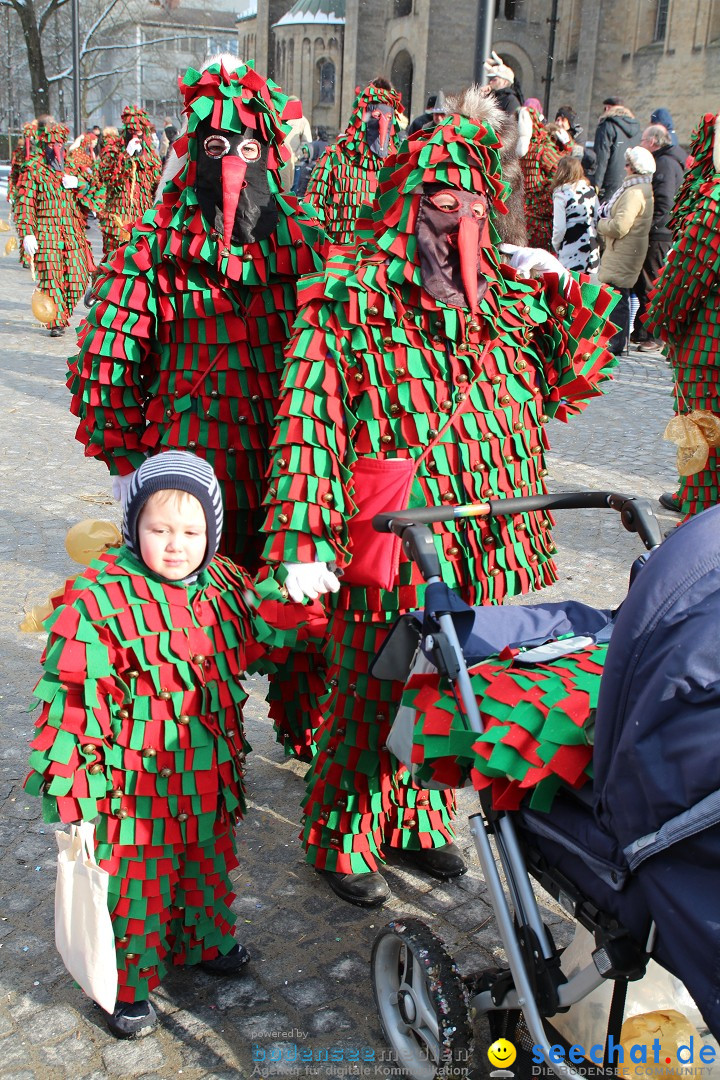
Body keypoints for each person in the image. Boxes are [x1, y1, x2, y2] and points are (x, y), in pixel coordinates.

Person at [261, 87, 620, 908]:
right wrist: (303, 538)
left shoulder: (508, 299)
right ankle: (340, 831)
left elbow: (573, 377)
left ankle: (418, 821)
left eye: (467, 205)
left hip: (484, 530)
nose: (451, 219)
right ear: (403, 200)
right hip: (395, 528)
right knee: (369, 680)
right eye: (436, 201)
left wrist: (565, 284)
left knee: (451, 678)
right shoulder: (350, 299)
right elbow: (310, 413)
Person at [68, 57, 329, 763]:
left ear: (271, 153)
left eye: (248, 149)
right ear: (192, 153)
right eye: (216, 149)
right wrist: (125, 458)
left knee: (296, 598)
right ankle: (198, 733)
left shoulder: (306, 245)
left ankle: (306, 727)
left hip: (285, 467)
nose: (234, 165)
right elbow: (108, 359)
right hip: (186, 469)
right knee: (188, 610)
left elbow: (347, 337)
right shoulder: (155, 248)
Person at [24, 451, 309, 1039]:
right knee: (139, 878)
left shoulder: (226, 583)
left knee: (204, 864)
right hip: (133, 784)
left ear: (213, 532)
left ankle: (204, 939)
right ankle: (127, 983)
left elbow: (266, 641)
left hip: (208, 767)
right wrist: (77, 791)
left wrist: (289, 591)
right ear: (133, 527)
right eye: (159, 530)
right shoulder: (98, 600)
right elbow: (72, 702)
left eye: (191, 531)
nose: (176, 546)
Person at [644, 111, 720, 519]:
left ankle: (699, 524)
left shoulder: (717, 201)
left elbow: (685, 277)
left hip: (710, 353)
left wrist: (662, 323)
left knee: (701, 437)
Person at [13, 120, 96, 336]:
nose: (56, 148)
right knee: (52, 278)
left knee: (78, 279)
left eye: (59, 144)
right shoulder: (34, 168)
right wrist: (27, 233)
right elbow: (25, 204)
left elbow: (97, 190)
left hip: (71, 231)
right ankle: (56, 321)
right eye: (52, 145)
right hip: (45, 230)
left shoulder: (72, 166)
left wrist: (79, 183)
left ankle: (60, 312)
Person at [304, 79, 404, 245]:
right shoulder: (334, 159)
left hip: (379, 264)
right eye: (376, 116)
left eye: (388, 117)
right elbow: (312, 213)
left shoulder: (397, 166)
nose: (382, 126)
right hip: (338, 261)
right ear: (362, 119)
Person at [630, 123, 685, 351]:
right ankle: (643, 331)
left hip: (659, 233)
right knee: (645, 283)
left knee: (651, 283)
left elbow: (664, 202)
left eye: (643, 140)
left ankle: (655, 335)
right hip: (660, 231)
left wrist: (649, 227)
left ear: (653, 141)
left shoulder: (664, 163)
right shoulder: (667, 160)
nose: (641, 144)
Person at [597, 144, 655, 355]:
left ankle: (615, 343)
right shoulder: (641, 188)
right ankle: (615, 341)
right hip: (626, 250)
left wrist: (601, 223)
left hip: (623, 250)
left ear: (633, 168)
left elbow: (620, 226)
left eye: (627, 165)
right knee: (618, 294)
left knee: (618, 296)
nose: (624, 168)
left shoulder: (633, 192)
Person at [89, 105, 162, 263]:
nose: (135, 136)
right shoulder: (112, 152)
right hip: (117, 220)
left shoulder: (152, 159)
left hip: (142, 221)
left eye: (139, 132)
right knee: (114, 263)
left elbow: (157, 190)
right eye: (131, 132)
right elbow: (105, 178)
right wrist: (125, 156)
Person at [518, 104, 568, 249]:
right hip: (542, 215)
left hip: (522, 212)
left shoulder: (515, 149)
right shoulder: (542, 148)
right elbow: (561, 170)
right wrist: (566, 147)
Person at [551, 155, 600, 274]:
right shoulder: (591, 191)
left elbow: (559, 228)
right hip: (592, 247)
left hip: (570, 247)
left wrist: (556, 245)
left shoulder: (561, 195)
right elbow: (597, 218)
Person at [590, 97, 641, 200]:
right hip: (630, 181)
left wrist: (596, 186)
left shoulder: (607, 125)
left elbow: (601, 158)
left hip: (609, 183)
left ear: (608, 108)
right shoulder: (637, 128)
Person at [481, 51, 522, 115]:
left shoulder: (511, 100)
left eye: (494, 79)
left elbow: (512, 123)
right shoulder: (491, 97)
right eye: (491, 79)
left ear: (505, 82)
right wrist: (481, 95)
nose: (490, 82)